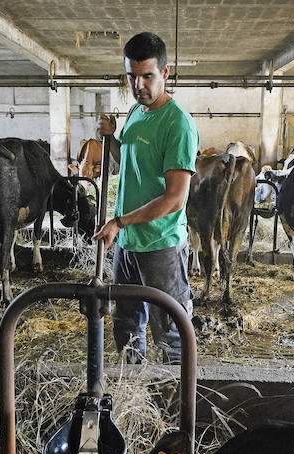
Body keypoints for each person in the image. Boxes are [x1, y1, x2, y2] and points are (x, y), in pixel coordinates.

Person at [93, 31, 199, 364]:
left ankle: (173, 405)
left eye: (147, 76)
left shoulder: (177, 124)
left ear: (165, 73)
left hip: (161, 245)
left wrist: (119, 221)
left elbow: (174, 199)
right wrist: (111, 138)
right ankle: (133, 397)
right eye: (131, 76)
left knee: (170, 329)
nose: (138, 85)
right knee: (126, 325)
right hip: (127, 241)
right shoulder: (136, 114)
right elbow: (128, 162)